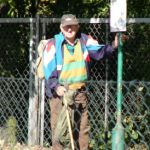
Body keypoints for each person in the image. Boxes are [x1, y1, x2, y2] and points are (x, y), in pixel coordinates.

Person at [42, 14, 118, 150]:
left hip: (80, 93)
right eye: (66, 26)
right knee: (59, 131)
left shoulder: (85, 40)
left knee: (82, 131)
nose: (69, 29)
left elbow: (100, 51)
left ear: (77, 26)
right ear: (61, 27)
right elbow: (48, 69)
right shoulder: (52, 44)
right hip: (60, 94)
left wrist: (114, 45)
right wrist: (56, 86)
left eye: (72, 26)